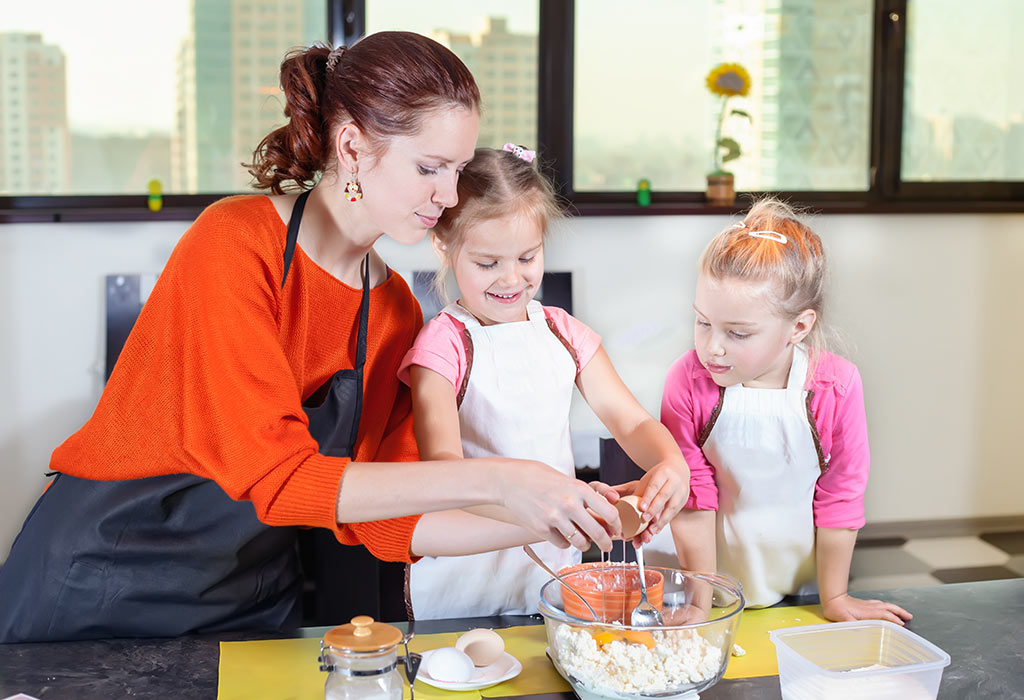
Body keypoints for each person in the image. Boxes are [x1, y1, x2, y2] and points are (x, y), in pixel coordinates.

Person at [0, 33, 621, 644]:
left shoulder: (396, 310)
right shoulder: (236, 246)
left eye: (457, 170)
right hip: (102, 582)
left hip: (247, 597)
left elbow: (395, 519)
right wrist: (503, 480)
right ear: (352, 145)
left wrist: (564, 515)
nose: (450, 196)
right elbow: (281, 477)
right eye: (429, 168)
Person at [398, 145, 691, 620]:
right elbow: (446, 477)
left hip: (551, 569)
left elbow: (631, 421)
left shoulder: (563, 332)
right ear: (443, 246)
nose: (511, 279)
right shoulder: (442, 347)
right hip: (466, 573)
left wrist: (670, 463)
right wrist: (555, 514)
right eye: (487, 263)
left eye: (527, 257)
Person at [652, 198, 912, 624]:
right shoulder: (687, 380)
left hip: (799, 584)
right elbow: (693, 497)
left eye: (738, 333)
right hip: (702, 576)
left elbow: (840, 497)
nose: (712, 347)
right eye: (702, 322)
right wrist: (700, 601)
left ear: (799, 327)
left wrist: (836, 599)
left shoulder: (836, 387)